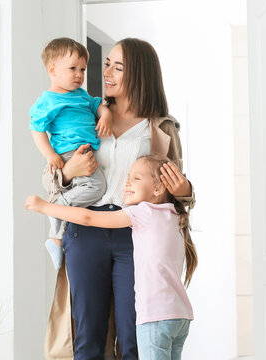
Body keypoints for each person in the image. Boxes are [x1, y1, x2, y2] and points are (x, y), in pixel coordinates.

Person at [41, 38, 195, 360]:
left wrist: (184, 192)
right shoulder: (83, 110)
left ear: (138, 74)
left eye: (117, 66)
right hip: (85, 230)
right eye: (107, 63)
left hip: (135, 236)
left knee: (134, 336)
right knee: (86, 338)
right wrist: (69, 171)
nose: (106, 72)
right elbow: (52, 177)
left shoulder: (161, 128)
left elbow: (174, 194)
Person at [26, 154, 197, 360]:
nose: (127, 182)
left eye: (136, 178)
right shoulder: (176, 215)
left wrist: (44, 207)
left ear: (159, 188)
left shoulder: (142, 213)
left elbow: (88, 218)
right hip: (180, 315)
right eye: (128, 177)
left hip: (155, 317)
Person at [29, 37, 112, 270]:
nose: (79, 75)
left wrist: (105, 115)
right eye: (73, 69)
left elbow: (99, 106)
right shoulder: (48, 100)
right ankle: (56, 206)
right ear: (52, 70)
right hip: (67, 154)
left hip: (84, 152)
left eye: (83, 69)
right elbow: (37, 129)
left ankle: (56, 237)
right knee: (96, 188)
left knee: (86, 196)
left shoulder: (81, 95)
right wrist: (50, 156)